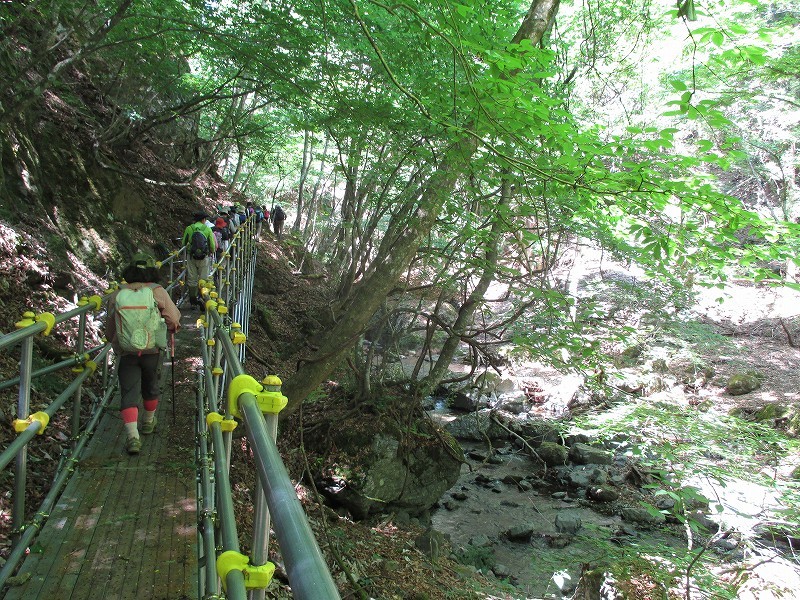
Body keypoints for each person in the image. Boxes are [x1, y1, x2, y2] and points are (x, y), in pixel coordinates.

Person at [106, 253, 181, 455]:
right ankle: (148, 422)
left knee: (129, 392)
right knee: (150, 385)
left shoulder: (118, 294)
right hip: (152, 349)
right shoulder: (157, 292)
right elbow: (173, 318)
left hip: (127, 351)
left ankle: (132, 437)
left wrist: (116, 343)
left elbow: (110, 328)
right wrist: (173, 327)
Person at [181, 212, 216, 308]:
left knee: (192, 279)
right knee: (203, 278)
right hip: (204, 257)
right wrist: (211, 252)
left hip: (191, 257)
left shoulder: (189, 228)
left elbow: (183, 243)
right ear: (204, 220)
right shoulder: (207, 229)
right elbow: (212, 246)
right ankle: (202, 298)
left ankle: (192, 301)